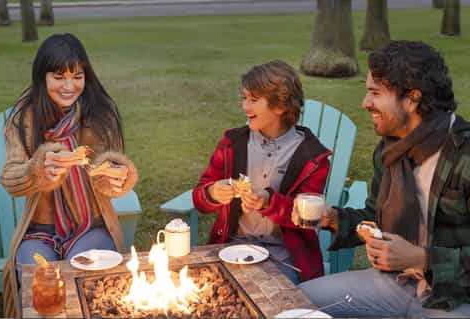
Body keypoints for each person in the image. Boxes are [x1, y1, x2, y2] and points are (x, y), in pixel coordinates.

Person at [297, 40, 470, 318]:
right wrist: (332, 218)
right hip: (396, 283)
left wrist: (423, 259)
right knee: (295, 303)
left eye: (375, 93)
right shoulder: (391, 151)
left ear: (412, 99)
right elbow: (374, 218)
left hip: (454, 298)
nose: (365, 103)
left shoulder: (464, 156)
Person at [0, 33, 138, 318]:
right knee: (40, 287)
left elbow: (111, 169)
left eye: (77, 76)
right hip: (39, 232)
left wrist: (116, 177)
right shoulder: (22, 121)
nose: (69, 86)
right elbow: (11, 179)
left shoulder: (101, 116)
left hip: (90, 225)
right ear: (42, 77)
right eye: (58, 77)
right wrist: (37, 171)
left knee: (92, 288)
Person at [192, 60, 331, 284]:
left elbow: (306, 218)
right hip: (232, 248)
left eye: (254, 100)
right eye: (244, 98)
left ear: (281, 106)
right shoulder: (231, 144)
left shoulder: (312, 158)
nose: (245, 106)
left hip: (285, 257)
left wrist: (269, 203)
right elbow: (199, 198)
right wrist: (212, 193)